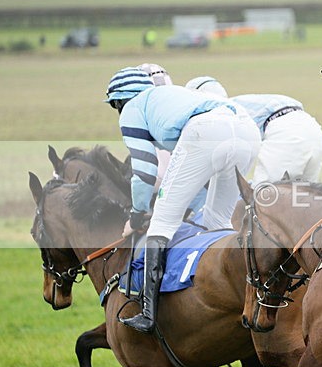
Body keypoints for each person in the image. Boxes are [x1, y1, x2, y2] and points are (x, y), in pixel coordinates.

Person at [104, 67, 260, 333]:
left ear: (119, 101)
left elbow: (144, 171)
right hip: (248, 132)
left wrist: (137, 216)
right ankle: (243, 295)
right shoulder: (171, 95)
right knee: (217, 223)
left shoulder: (132, 108)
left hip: (207, 131)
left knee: (161, 224)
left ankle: (147, 314)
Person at [185, 76, 322, 185]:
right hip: (313, 129)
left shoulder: (219, 112)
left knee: (263, 199)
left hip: (285, 132)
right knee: (302, 199)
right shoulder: (241, 101)